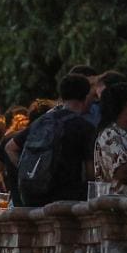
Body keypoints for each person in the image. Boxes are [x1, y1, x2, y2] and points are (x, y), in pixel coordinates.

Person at [20, 73, 96, 206]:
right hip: (67, 200)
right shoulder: (84, 127)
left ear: (62, 96)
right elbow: (91, 173)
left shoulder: (41, 121)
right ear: (85, 97)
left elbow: (11, 147)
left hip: (34, 198)